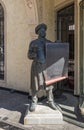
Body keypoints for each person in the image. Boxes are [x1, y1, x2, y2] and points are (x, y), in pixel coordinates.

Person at [28, 23, 58, 112]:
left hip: (47, 66)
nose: (43, 32)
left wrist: (57, 44)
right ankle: (34, 101)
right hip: (37, 65)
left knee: (49, 84)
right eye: (41, 31)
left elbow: (55, 49)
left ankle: (50, 100)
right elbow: (29, 55)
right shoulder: (33, 43)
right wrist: (35, 54)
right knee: (35, 84)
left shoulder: (48, 42)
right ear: (38, 32)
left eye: (44, 31)